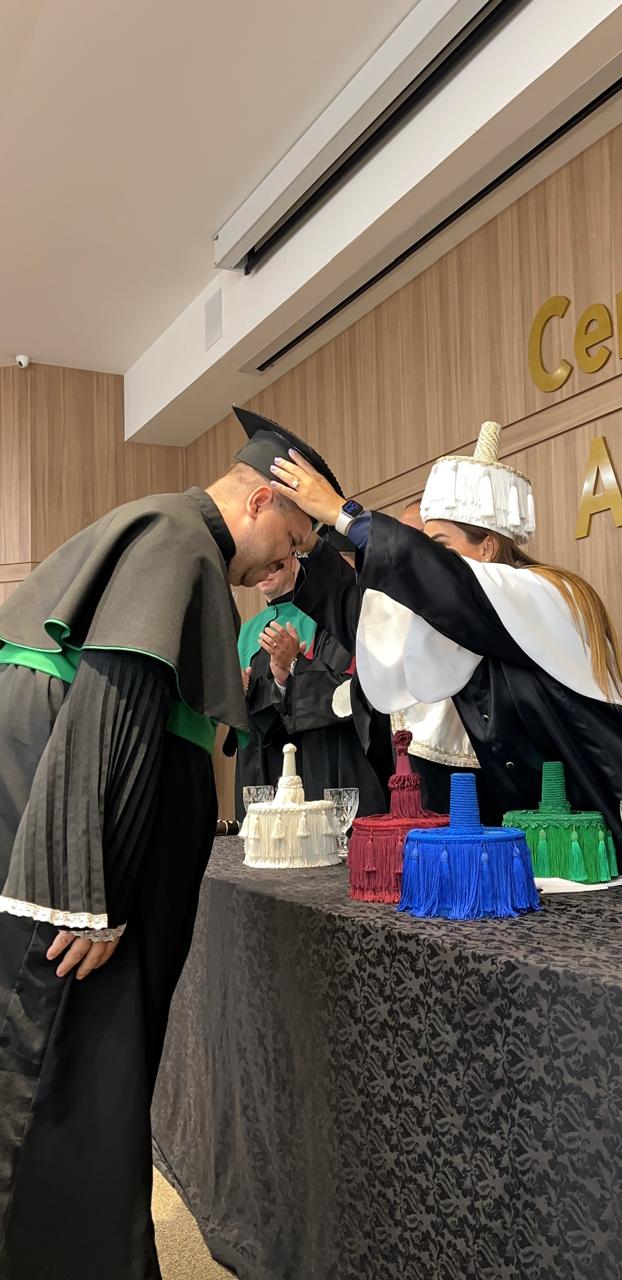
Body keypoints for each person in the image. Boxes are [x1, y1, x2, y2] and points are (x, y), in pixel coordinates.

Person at [0, 407, 343, 1280]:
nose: (283, 567)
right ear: (260, 501)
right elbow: (109, 703)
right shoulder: (178, 537)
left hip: (97, 860)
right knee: (74, 1068)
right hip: (86, 886)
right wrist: (83, 893)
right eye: (292, 540)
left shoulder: (176, 540)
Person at [270, 420, 622, 887]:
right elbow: (376, 619)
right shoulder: (470, 617)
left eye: (439, 546)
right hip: (547, 852)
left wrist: (345, 515)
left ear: (487, 546)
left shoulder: (544, 594)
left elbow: (444, 585)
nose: (431, 560)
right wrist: (310, 548)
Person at [294, 499, 479, 812]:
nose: (410, 552)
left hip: (472, 764)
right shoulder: (392, 605)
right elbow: (348, 605)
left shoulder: (480, 599)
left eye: (424, 543)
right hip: (405, 763)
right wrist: (308, 544)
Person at [235, 551, 386, 817]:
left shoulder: (361, 623)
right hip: (279, 754)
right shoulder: (251, 629)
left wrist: (294, 665)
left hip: (343, 758)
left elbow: (354, 694)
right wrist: (251, 690)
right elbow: (286, 707)